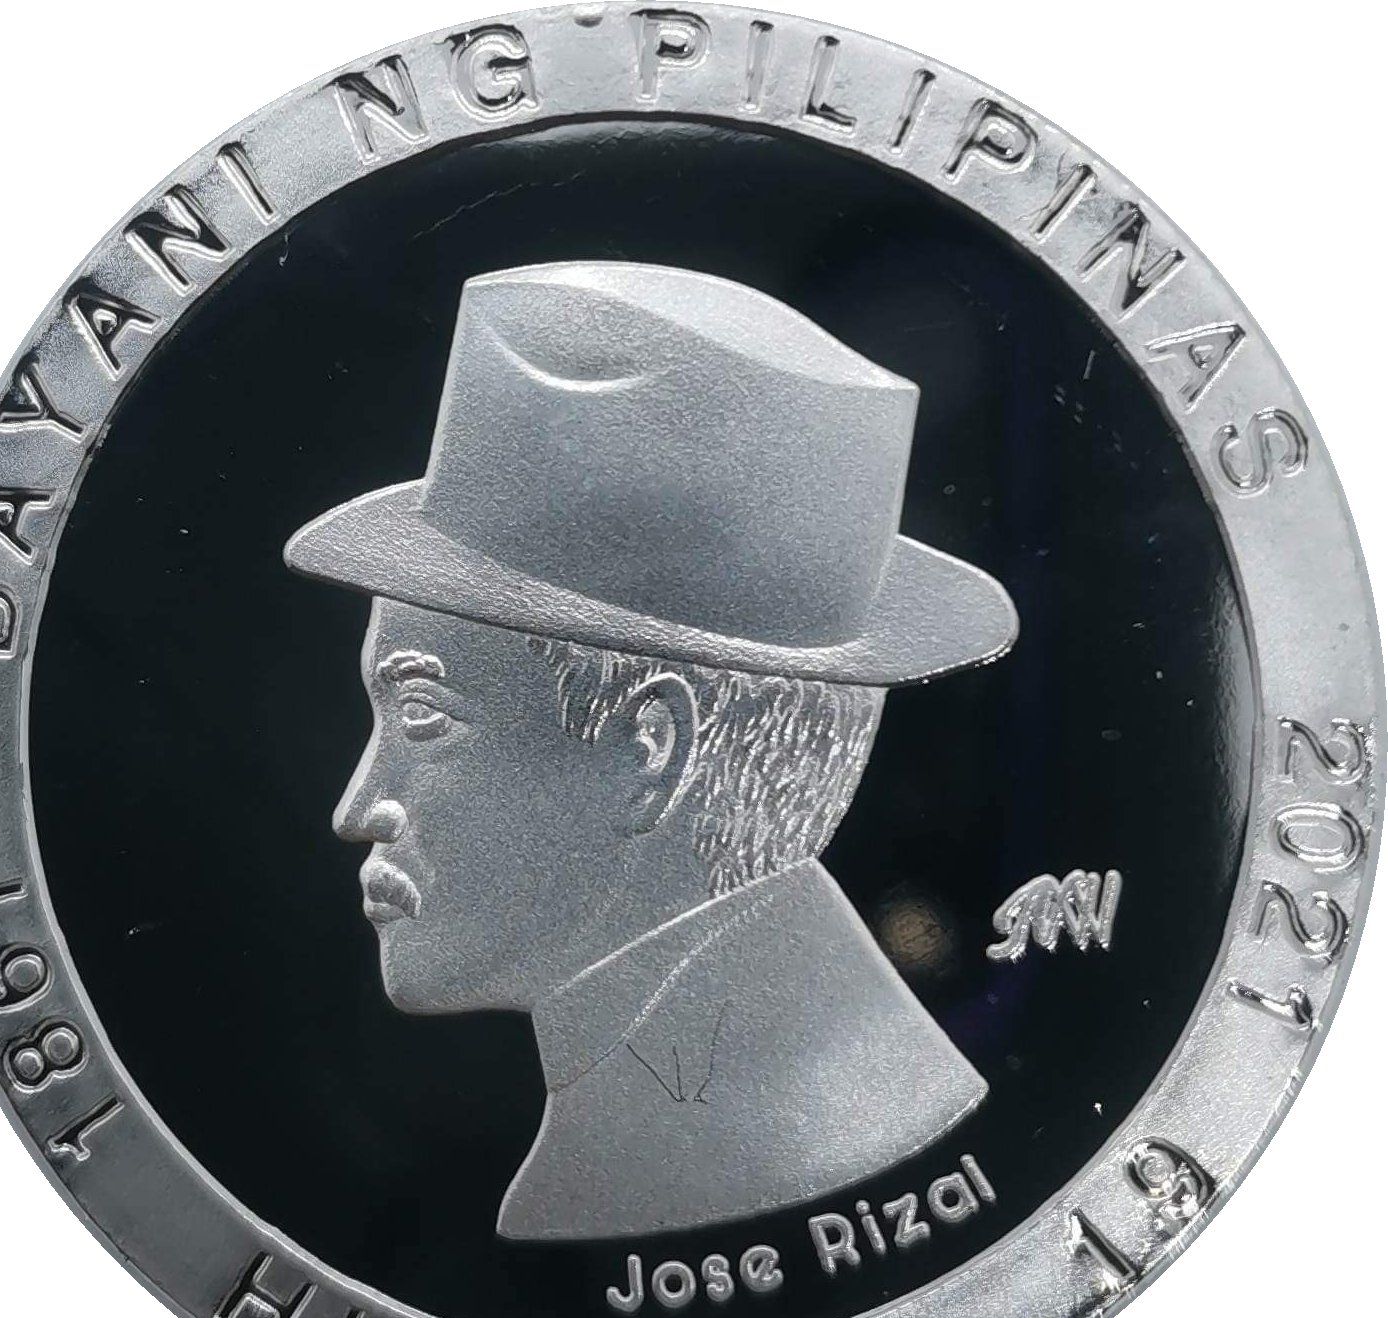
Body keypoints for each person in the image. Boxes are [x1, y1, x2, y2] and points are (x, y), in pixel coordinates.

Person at [285, 261, 1018, 1241]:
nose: (358, 804)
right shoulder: (797, 1084)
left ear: (649, 752)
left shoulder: (692, 1158)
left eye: (424, 716)